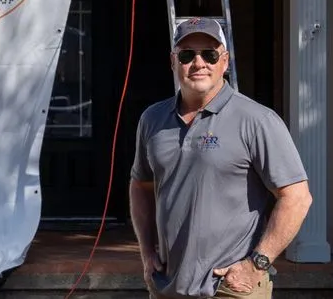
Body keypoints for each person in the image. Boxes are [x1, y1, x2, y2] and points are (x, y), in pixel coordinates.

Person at [129, 17, 313, 299]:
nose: (199, 62)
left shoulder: (257, 120)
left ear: (224, 62)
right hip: (168, 285)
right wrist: (146, 251)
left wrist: (257, 264)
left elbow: (297, 197)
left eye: (210, 54)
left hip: (231, 288)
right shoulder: (152, 119)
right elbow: (140, 185)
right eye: (188, 54)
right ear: (173, 62)